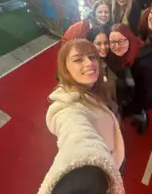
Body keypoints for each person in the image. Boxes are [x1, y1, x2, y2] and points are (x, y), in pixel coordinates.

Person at [39, 39, 125, 194]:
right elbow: (78, 138)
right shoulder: (67, 108)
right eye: (78, 59)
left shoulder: (96, 86)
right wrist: (84, 179)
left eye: (92, 57)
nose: (89, 63)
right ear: (65, 69)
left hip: (114, 160)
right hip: (104, 166)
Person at [107, 24, 152, 134]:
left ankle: (143, 120)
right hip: (129, 93)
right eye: (112, 42)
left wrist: (126, 110)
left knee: (138, 113)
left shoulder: (145, 63)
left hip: (140, 99)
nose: (116, 46)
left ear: (129, 40)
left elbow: (147, 94)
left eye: (121, 41)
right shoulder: (122, 54)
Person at [86, 25, 118, 103]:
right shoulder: (87, 67)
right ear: (90, 44)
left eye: (106, 43)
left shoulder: (110, 59)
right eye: (98, 44)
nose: (103, 47)